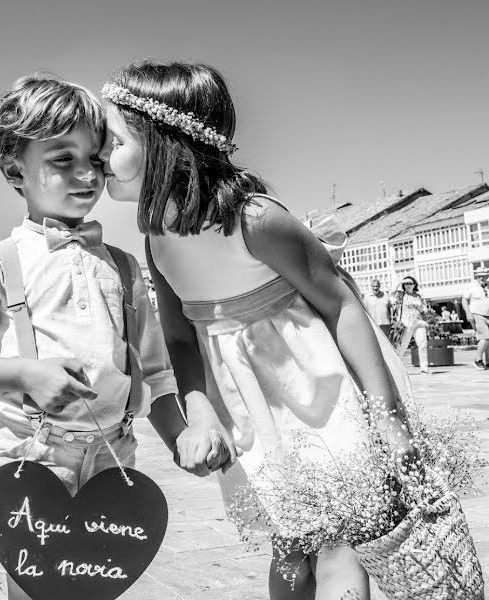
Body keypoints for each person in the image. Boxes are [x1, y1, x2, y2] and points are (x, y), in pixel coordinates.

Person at [98, 61, 418, 600]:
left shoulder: (254, 220)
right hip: (244, 400)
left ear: (164, 141)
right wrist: (199, 415)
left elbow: (342, 304)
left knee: (342, 535)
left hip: (315, 384)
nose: (98, 155)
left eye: (113, 140)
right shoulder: (156, 235)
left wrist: (388, 418)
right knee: (290, 543)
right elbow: (179, 338)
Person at [0, 74, 213, 600]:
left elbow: (152, 373)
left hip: (115, 458)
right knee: (34, 591)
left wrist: (182, 439)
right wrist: (22, 373)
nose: (86, 175)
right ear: (15, 168)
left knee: (97, 585)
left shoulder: (125, 267)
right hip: (31, 456)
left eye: (96, 161)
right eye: (62, 160)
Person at [392, 276, 430, 374]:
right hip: (406, 322)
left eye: (410, 283)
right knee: (403, 345)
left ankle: (424, 368)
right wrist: (400, 281)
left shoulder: (418, 296)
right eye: (406, 283)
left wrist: (426, 321)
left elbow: (423, 310)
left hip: (419, 322)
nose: (408, 285)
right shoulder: (401, 295)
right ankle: (396, 367)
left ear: (414, 284)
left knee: (422, 345)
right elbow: (392, 293)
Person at [462, 266, 489, 369]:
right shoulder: (472, 286)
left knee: (487, 339)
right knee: (485, 336)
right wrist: (468, 313)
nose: (482, 278)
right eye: (480, 276)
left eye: (484, 276)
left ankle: (488, 362)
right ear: (476, 277)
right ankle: (478, 360)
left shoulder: (487, 287)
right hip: (477, 314)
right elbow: (464, 300)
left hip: (488, 314)